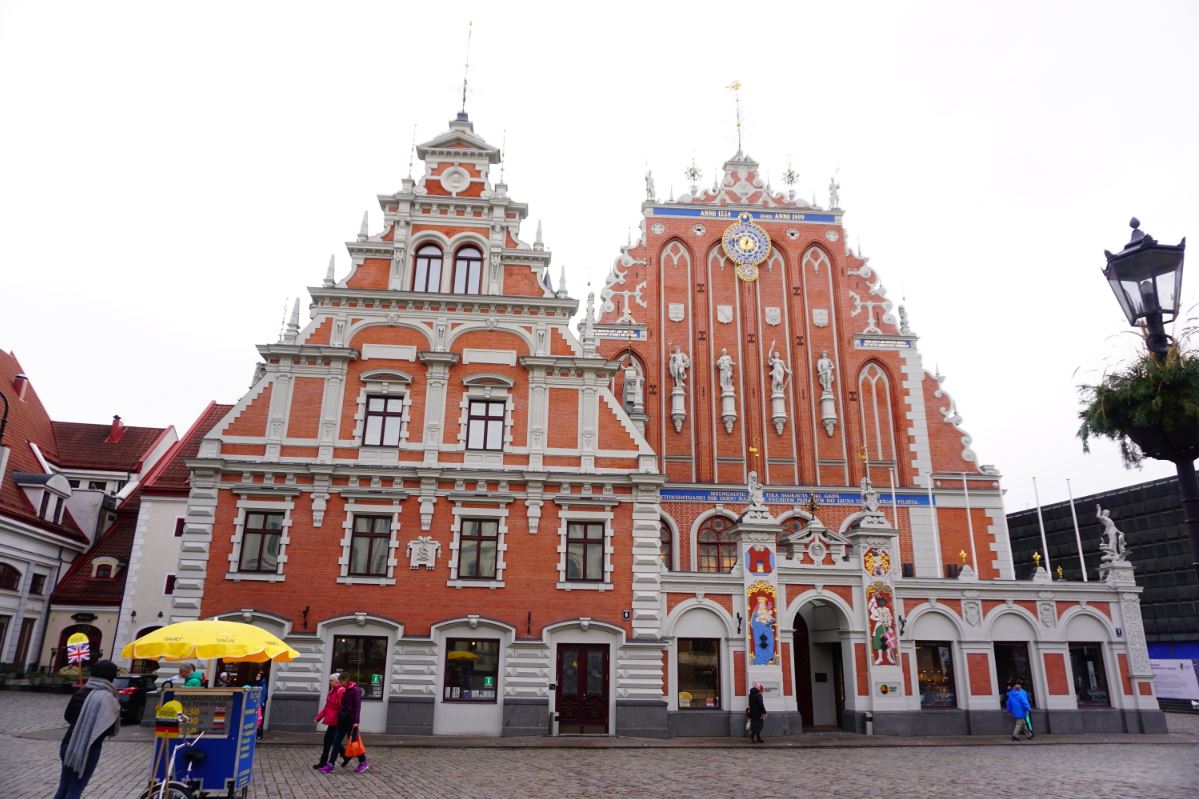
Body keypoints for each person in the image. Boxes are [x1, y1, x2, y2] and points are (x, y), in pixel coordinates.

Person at [53, 659, 121, 799]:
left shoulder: (81, 692)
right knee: (76, 789)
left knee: (64, 787)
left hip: (68, 745)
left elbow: (68, 716)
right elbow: (108, 729)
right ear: (111, 677)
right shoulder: (108, 698)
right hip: (89, 749)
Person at [324, 673, 368, 774]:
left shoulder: (356, 691)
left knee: (354, 743)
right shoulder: (344, 690)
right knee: (336, 742)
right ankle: (330, 765)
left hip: (351, 721)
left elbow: (357, 707)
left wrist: (356, 721)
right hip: (342, 720)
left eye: (341, 681)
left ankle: (363, 762)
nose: (340, 683)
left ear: (346, 680)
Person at [313, 673, 344, 770]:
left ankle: (324, 762)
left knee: (330, 740)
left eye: (332, 681)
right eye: (330, 680)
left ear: (337, 681)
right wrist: (318, 717)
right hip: (332, 720)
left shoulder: (341, 691)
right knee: (330, 740)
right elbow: (327, 707)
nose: (330, 682)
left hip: (337, 720)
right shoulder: (332, 691)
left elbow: (341, 707)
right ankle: (345, 754)